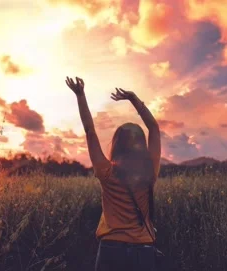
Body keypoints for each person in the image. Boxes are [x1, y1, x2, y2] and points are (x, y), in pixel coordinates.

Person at [65, 76, 161, 271]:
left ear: (116, 144)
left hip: (111, 249)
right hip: (143, 249)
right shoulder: (150, 171)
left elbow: (90, 131)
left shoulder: (106, 171)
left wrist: (80, 95)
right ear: (141, 145)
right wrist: (134, 99)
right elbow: (154, 128)